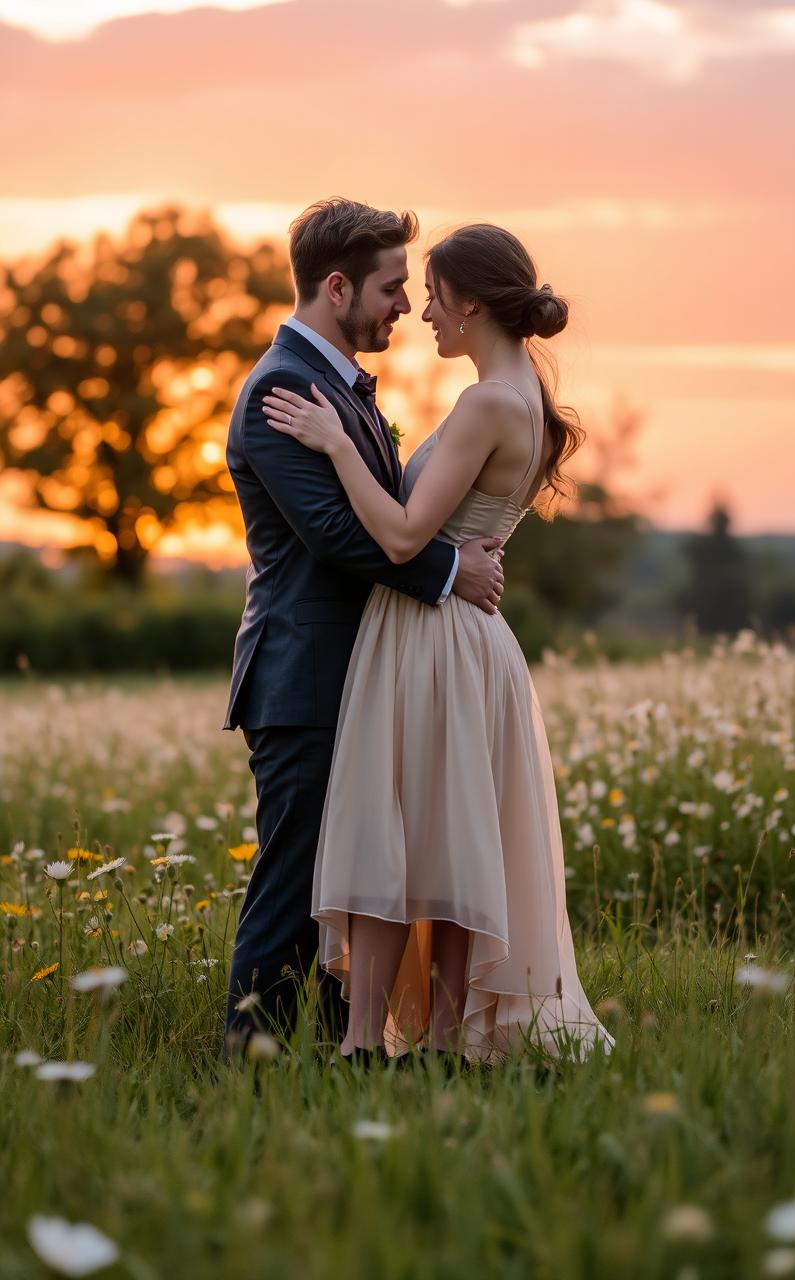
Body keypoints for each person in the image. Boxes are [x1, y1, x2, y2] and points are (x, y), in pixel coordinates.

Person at [262, 223, 614, 1067]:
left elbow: (400, 535)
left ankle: (365, 1045)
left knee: (396, 834)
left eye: (433, 295)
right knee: (449, 840)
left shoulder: (489, 402)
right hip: (466, 638)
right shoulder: (522, 394)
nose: (422, 310)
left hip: (430, 638)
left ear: (474, 303)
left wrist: (338, 443)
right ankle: (445, 1042)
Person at [222, 200, 505, 1057]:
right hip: (301, 676)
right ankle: (252, 1058)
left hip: (352, 670)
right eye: (388, 288)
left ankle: (317, 1053)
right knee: (295, 874)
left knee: (333, 880)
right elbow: (338, 537)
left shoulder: (337, 386)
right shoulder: (280, 387)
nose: (401, 307)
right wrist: (453, 571)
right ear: (336, 286)